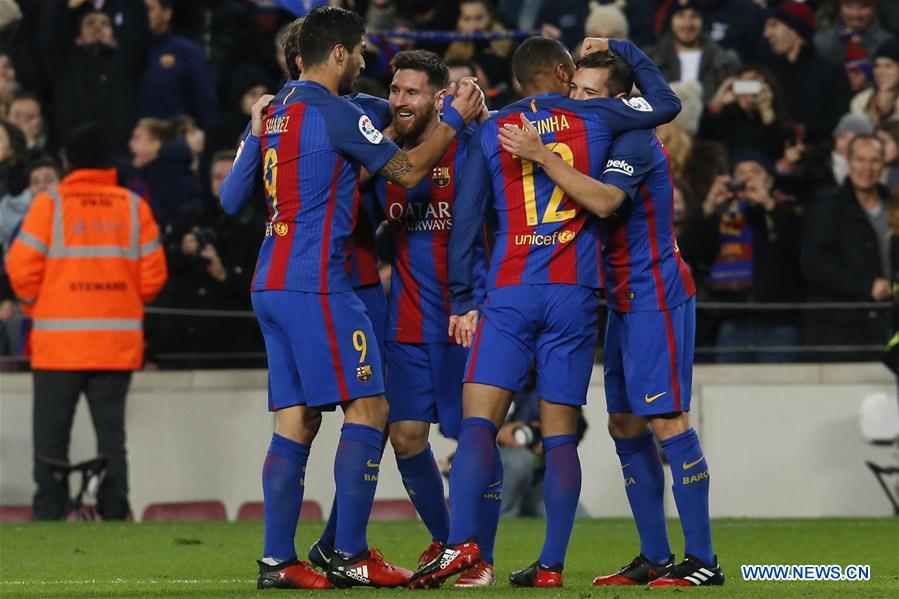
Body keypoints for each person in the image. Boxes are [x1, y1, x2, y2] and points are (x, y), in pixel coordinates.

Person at [218, 6, 483, 590]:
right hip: (319, 285)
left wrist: (255, 132)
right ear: (337, 53)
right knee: (372, 410)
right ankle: (350, 552)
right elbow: (409, 171)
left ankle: (277, 562)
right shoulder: (338, 113)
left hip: (270, 281)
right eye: (361, 51)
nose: (367, 61)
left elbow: (230, 199)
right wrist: (457, 122)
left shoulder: (274, 110)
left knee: (296, 421)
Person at [409, 36, 681, 589]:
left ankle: (464, 547)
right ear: (562, 72)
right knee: (559, 435)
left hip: (509, 291)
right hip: (573, 291)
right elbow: (666, 104)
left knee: (478, 425)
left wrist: (463, 298)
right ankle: (551, 565)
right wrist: (622, 47)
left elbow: (467, 219)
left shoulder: (496, 126)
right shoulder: (597, 116)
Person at [498, 48, 723, 587]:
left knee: (668, 421)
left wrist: (543, 156)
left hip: (655, 294)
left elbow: (603, 202)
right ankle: (655, 556)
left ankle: (703, 561)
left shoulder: (633, 138)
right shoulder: (593, 134)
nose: (576, 101)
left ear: (621, 101)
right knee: (624, 424)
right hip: (622, 298)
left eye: (590, 94)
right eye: (574, 89)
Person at [368, 49, 498, 587]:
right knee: (405, 438)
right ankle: (452, 544)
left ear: (439, 98)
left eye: (412, 92)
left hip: (467, 316)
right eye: (396, 90)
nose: (400, 100)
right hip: (407, 321)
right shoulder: (382, 155)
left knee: (477, 434)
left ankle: (480, 555)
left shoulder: (471, 147)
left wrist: (485, 114)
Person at [4, 123, 167, 520]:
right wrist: (121, 301)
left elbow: (19, 267)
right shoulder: (133, 207)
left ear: (67, 161)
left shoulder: (50, 205)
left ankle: (49, 513)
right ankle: (113, 511)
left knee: (51, 443)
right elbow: (153, 277)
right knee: (112, 441)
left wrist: (35, 302)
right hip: (116, 347)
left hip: (58, 349)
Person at [680, 153, 804, 363]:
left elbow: (800, 248)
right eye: (740, 174)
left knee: (783, 394)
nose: (746, 179)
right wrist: (708, 206)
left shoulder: (786, 210)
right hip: (732, 323)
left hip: (778, 324)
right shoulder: (721, 216)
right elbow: (687, 252)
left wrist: (767, 204)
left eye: (754, 173)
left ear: (770, 181)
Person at [802, 134, 893, 361]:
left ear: (883, 164)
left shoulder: (894, 205)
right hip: (840, 330)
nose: (867, 168)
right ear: (848, 161)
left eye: (874, 160)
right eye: (860, 160)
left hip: (888, 325)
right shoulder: (827, 207)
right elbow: (814, 263)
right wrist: (865, 286)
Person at [762, 1, 852, 144]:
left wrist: (804, 130)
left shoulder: (831, 72)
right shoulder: (769, 73)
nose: (766, 33)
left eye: (774, 25)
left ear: (795, 28)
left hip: (819, 155)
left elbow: (839, 119)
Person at [139, 0, 218, 130]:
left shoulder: (186, 51)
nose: (142, 14)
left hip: (176, 137)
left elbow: (205, 102)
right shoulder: (129, 50)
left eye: (149, 9)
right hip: (138, 140)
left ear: (166, 13)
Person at [647, 0, 740, 104]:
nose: (688, 24)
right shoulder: (650, 60)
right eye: (681, 16)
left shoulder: (724, 62)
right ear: (670, 21)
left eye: (694, 16)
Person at [814, 0, 894, 92]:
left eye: (863, 7)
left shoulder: (889, 44)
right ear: (840, 6)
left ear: (874, 5)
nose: (855, 15)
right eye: (849, 6)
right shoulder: (821, 43)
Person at [849, 38, 899, 126]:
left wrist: (889, 112)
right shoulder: (861, 100)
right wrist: (876, 114)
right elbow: (860, 135)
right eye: (877, 66)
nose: (880, 72)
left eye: (888, 66)